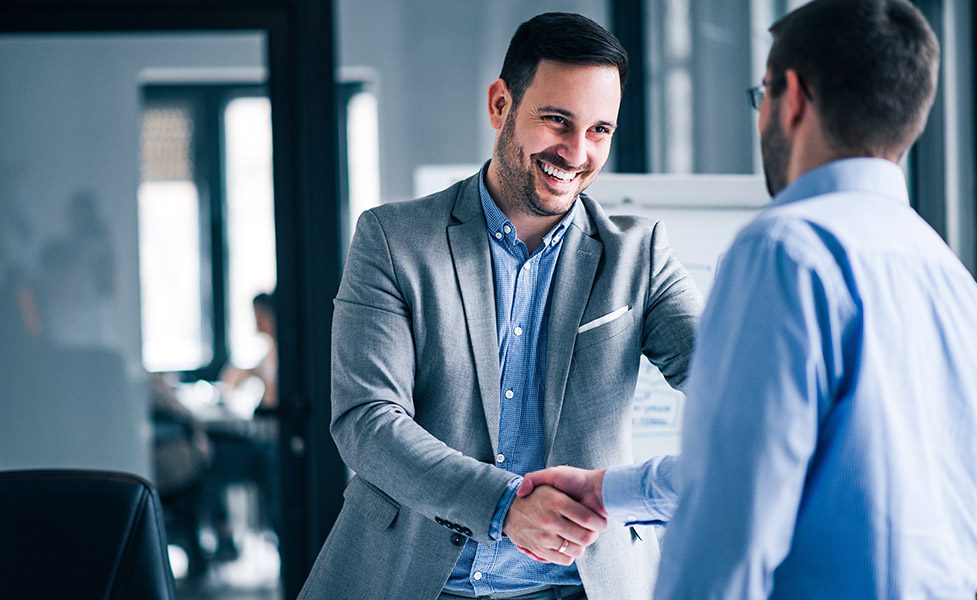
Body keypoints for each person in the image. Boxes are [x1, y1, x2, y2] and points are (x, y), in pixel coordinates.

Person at [519, 0, 977, 597]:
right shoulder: (952, 280)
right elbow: (786, 467)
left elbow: (731, 515)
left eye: (759, 95)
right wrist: (610, 491)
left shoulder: (786, 251)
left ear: (790, 97)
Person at [297, 12, 702, 600]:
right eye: (557, 121)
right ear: (500, 104)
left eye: (599, 131)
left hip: (581, 586)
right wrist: (503, 505)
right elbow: (366, 421)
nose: (576, 151)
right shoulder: (393, 239)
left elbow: (729, 382)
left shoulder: (638, 255)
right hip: (414, 580)